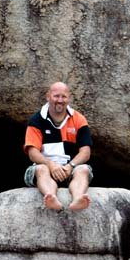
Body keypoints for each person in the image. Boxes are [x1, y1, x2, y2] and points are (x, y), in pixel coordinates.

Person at [23, 82, 93, 211]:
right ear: (48, 96)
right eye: (56, 96)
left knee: (83, 169)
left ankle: (77, 199)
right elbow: (32, 152)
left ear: (69, 98)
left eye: (64, 96)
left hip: (69, 167)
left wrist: (70, 166)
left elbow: (85, 152)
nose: (60, 100)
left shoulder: (79, 119)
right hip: (45, 168)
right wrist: (51, 165)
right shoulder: (36, 120)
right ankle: (51, 197)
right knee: (41, 169)